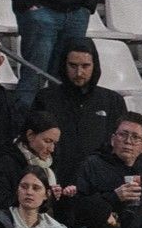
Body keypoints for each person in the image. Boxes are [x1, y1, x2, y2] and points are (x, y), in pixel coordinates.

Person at [1, 0, 98, 110]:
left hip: (76, 11)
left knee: (67, 80)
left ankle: (61, 129)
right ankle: (23, 129)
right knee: (34, 77)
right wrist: (25, 3)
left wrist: (88, 3)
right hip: (40, 10)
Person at [32, 39, 125, 188]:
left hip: (97, 187)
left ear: (95, 65)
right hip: (56, 185)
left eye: (85, 66)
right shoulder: (46, 98)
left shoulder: (112, 101)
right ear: (64, 64)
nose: (79, 73)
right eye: (73, 66)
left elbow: (121, 147)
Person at [74, 113, 142, 228]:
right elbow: (78, 209)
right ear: (113, 139)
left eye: (135, 137)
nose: (128, 141)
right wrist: (114, 197)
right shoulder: (92, 165)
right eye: (123, 135)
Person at [0, 112, 74, 211]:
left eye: (54, 143)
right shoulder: (6, 162)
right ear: (30, 135)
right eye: (47, 141)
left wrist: (60, 195)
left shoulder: (52, 162)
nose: (52, 149)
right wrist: (38, 199)